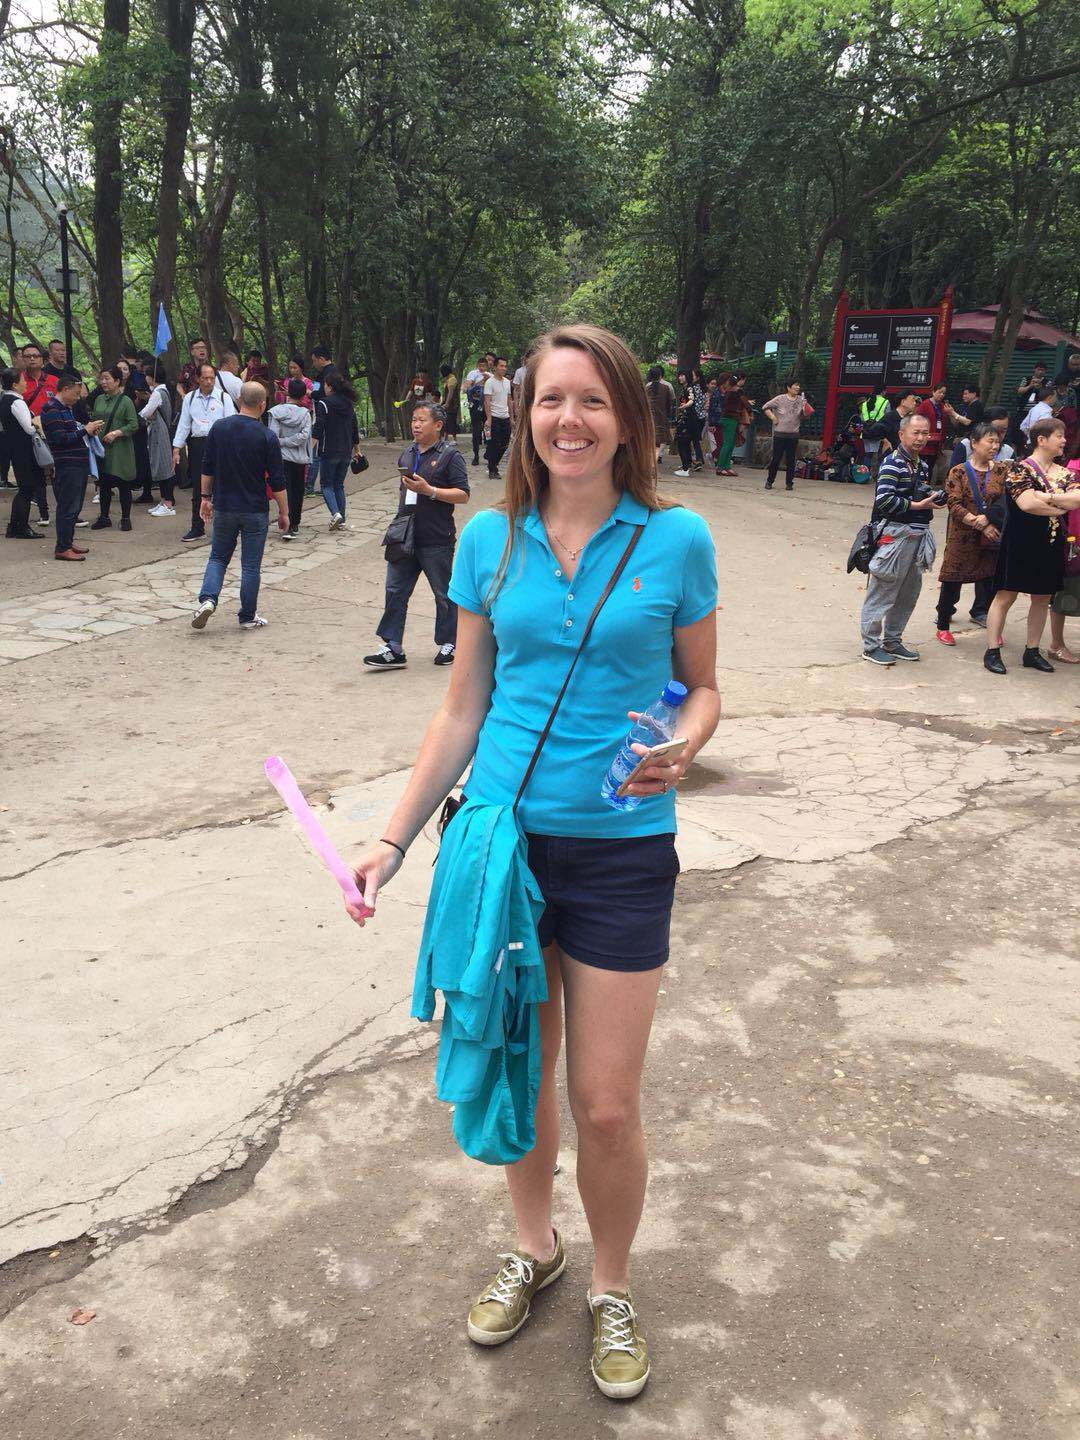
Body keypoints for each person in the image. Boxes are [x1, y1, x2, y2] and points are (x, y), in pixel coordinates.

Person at [343, 322, 719, 1401]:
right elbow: (463, 707)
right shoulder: (489, 542)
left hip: (622, 858)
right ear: (523, 415)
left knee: (605, 1102)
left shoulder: (677, 539)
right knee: (519, 1067)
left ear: (628, 420)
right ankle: (534, 1245)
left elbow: (702, 686)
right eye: (552, 398)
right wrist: (391, 839)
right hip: (502, 848)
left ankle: (611, 1285)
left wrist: (685, 745)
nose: (570, 419)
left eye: (594, 400)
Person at [364, 399, 470, 669]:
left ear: (438, 425)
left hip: (435, 535)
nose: (416, 425)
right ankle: (393, 647)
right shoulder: (407, 454)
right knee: (395, 590)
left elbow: (463, 494)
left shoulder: (450, 456)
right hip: (404, 534)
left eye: (422, 420)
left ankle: (450, 642)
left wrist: (430, 491)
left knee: (443, 592)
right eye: (414, 420)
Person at [983, 417, 1080, 675]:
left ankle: (1032, 651)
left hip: (1051, 543)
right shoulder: (1019, 469)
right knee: (1006, 596)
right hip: (1019, 541)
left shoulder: (1065, 473)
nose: (1064, 441)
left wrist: (1046, 496)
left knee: (1042, 597)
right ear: (1041, 439)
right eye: (1059, 436)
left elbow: (1077, 499)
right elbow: (1027, 504)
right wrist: (1059, 504)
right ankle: (992, 650)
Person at [190, 382, 287, 631]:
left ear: (238, 400)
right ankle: (247, 616)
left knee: (218, 557)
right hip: (255, 508)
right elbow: (277, 481)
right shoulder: (267, 436)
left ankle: (208, 599)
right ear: (263, 405)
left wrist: (205, 497)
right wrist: (284, 512)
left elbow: (207, 466)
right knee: (251, 565)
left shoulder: (219, 428)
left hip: (224, 505)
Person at [860, 412, 946, 665]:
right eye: (915, 432)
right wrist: (917, 505)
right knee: (883, 591)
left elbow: (917, 494)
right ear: (901, 434)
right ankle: (870, 645)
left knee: (908, 594)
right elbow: (884, 500)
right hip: (895, 536)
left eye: (925, 433)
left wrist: (932, 499)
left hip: (917, 537)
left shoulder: (922, 465)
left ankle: (893, 640)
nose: (921, 438)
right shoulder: (892, 463)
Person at [935, 422, 1005, 644]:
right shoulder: (958, 471)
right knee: (952, 579)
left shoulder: (1002, 471)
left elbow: (1005, 502)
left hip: (990, 538)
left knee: (990, 581)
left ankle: (992, 626)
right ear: (974, 443)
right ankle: (943, 625)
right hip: (962, 536)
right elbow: (953, 504)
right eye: (990, 441)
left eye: (997, 442)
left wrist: (990, 520)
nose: (995, 446)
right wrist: (980, 523)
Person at [40, 371, 103, 560]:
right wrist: (85, 430)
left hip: (78, 462)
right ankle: (62, 547)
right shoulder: (52, 409)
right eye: (76, 394)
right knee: (68, 506)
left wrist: (88, 431)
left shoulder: (66, 408)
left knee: (74, 506)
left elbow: (72, 432)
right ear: (65, 389)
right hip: (68, 464)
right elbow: (60, 439)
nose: (78, 398)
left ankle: (67, 541)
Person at [172, 362, 237, 541]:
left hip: (220, 443)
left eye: (212, 378)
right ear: (197, 379)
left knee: (223, 484)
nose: (209, 382)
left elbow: (231, 424)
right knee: (199, 486)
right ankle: (197, 527)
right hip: (198, 444)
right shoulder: (190, 398)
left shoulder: (223, 397)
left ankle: (225, 527)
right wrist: (177, 448)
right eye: (205, 378)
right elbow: (184, 424)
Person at [89, 366, 139, 531]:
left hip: (120, 450)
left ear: (117, 381)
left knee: (123, 484)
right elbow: (94, 418)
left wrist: (117, 433)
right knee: (104, 485)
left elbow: (133, 424)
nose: (103, 382)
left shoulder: (126, 401)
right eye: (101, 378)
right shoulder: (99, 399)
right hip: (102, 448)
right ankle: (104, 517)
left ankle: (125, 518)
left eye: (107, 378)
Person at [312, 370, 360, 529]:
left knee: (326, 485)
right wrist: (357, 450)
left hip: (329, 450)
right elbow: (354, 429)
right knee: (339, 485)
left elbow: (318, 429)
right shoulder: (349, 405)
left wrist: (308, 450)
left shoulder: (324, 404)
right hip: (346, 451)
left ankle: (336, 514)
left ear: (330, 387)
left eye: (325, 385)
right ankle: (342, 519)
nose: (324, 388)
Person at [2, 368, 45, 540]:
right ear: (15, 384)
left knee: (24, 488)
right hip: (24, 449)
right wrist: (36, 423)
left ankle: (14, 526)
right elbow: (28, 428)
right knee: (27, 488)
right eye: (22, 380)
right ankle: (22, 527)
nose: (26, 383)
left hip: (14, 448)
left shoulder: (4, 399)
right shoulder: (17, 402)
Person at [268, 376, 314, 538]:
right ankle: (295, 523)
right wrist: (291, 441)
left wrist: (282, 442)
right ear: (303, 396)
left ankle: (285, 523)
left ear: (287, 392)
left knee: (284, 491)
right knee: (298, 490)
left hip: (281, 457)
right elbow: (304, 436)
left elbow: (272, 436)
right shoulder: (306, 414)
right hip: (300, 458)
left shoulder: (275, 412)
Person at [19, 344, 57, 526]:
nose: (32, 359)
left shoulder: (54, 381)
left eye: (35, 355)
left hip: (53, 432)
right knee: (37, 474)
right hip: (31, 435)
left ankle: (68, 512)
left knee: (59, 474)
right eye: (28, 356)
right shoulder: (18, 381)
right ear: (22, 359)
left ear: (43, 359)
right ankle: (44, 512)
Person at [142, 361, 177, 517]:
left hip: (159, 433)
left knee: (163, 468)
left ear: (152, 377)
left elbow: (146, 412)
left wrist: (140, 415)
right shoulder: (163, 390)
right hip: (161, 431)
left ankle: (168, 504)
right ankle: (163, 501)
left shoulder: (157, 393)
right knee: (161, 466)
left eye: (147, 376)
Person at [762, 377, 809, 491]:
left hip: (793, 435)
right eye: (795, 385)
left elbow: (805, 416)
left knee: (791, 460)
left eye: (798, 385)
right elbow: (765, 407)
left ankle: (789, 483)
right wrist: (773, 417)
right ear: (788, 387)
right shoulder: (780, 399)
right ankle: (769, 481)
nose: (797, 387)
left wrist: (805, 409)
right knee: (776, 459)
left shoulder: (801, 400)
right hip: (780, 435)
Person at [949, 404, 1015, 468]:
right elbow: (953, 472)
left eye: (1003, 430)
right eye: (995, 430)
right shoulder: (965, 445)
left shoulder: (1008, 451)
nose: (999, 435)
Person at [915, 383, 951, 484]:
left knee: (930, 467)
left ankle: (927, 486)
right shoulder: (925, 404)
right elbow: (917, 420)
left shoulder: (942, 406)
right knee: (921, 466)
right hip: (925, 442)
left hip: (936, 443)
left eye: (944, 393)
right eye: (940, 392)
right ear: (933, 392)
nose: (942, 395)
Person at [484, 357, 512, 479]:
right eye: (501, 366)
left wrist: (512, 417)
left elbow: (509, 400)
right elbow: (487, 401)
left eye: (505, 366)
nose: (504, 368)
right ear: (495, 367)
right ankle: (492, 469)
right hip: (494, 417)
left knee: (505, 443)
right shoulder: (489, 382)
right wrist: (489, 419)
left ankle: (494, 463)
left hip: (505, 416)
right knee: (493, 444)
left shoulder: (507, 382)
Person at [645, 365, 675, 467]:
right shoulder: (667, 387)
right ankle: (656, 458)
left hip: (650, 418)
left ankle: (650, 460)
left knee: (651, 440)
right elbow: (671, 402)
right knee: (660, 441)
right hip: (662, 417)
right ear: (660, 375)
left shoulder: (647, 387)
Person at [465, 357, 490, 466]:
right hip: (475, 404)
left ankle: (489, 453)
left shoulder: (490, 375)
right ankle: (476, 455)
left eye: (483, 365)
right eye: (479, 365)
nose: (481, 368)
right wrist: (481, 381)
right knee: (476, 430)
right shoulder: (473, 374)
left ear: (487, 366)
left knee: (488, 429)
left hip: (486, 404)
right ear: (477, 365)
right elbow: (468, 387)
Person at [439, 363, 459, 438]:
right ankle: (445, 437)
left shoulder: (452, 379)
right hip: (449, 403)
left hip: (452, 404)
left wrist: (447, 403)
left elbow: (450, 393)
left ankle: (454, 438)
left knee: (451, 420)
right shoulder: (448, 379)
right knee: (447, 420)